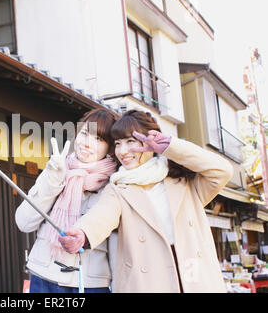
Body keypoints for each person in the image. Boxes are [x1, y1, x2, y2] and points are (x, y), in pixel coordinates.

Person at [58, 109, 234, 293]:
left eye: (130, 142)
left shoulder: (185, 183)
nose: (123, 151)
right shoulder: (119, 186)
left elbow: (222, 171)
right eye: (118, 144)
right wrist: (83, 233)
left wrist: (171, 147)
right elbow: (102, 215)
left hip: (196, 279)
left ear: (151, 142)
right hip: (150, 284)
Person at [15, 108, 119, 293]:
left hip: (89, 284)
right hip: (43, 277)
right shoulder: (57, 169)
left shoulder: (114, 183)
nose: (87, 143)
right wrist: (53, 180)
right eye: (84, 134)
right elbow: (24, 222)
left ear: (110, 147)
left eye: (98, 139)